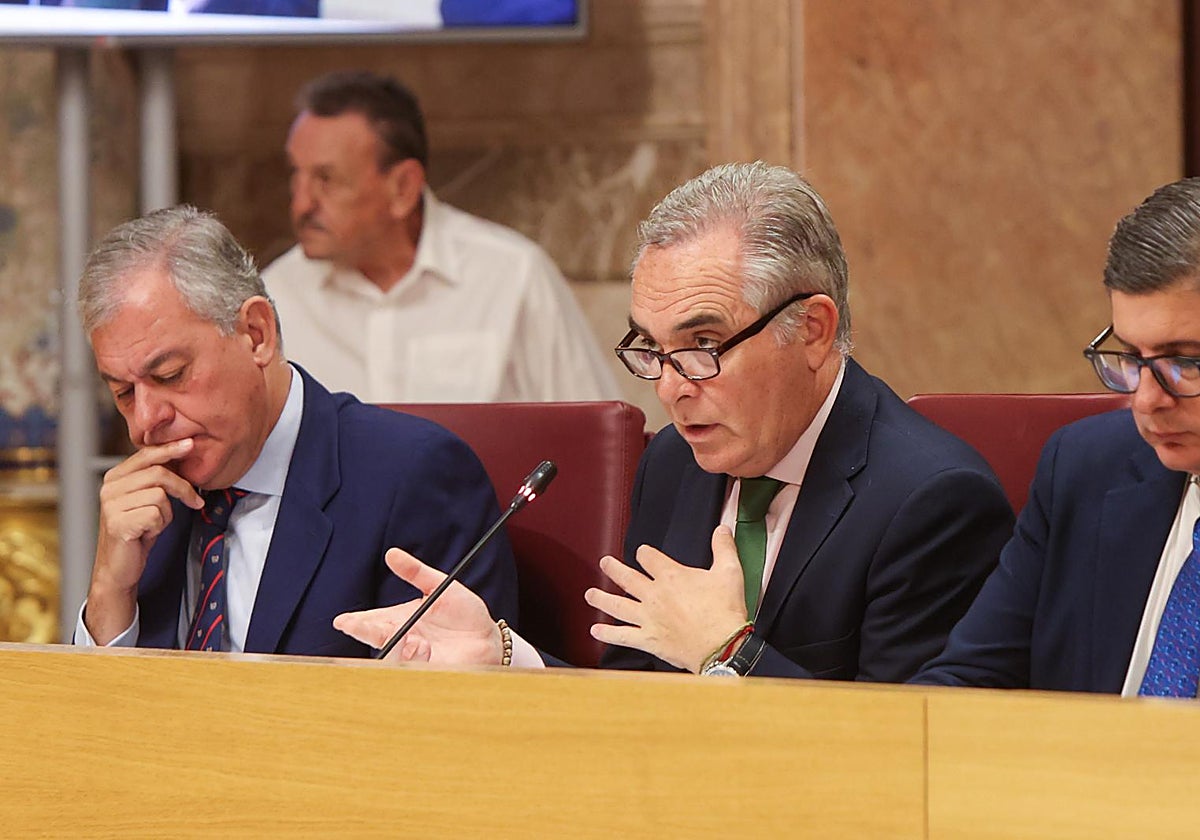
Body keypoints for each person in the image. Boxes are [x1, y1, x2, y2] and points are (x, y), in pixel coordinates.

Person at [333, 161, 1015, 680]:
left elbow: (906, 761)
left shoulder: (931, 501)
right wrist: (508, 660)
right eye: (651, 349)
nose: (669, 387)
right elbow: (636, 703)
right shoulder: (674, 465)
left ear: (811, 329)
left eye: (702, 346)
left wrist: (731, 656)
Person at [73, 204, 517, 656]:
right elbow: (95, 715)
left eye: (170, 375)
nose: (146, 421)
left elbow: (466, 703)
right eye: (124, 393)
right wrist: (110, 591)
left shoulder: (412, 478)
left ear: (256, 334)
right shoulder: (149, 505)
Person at [910, 177, 1200, 696]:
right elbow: (962, 686)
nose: (1146, 399)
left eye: (1186, 361)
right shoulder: (1084, 469)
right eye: (1132, 358)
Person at [261, 70, 621, 404]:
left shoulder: (512, 276)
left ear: (403, 187)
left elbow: (598, 436)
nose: (301, 203)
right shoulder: (275, 298)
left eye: (326, 179)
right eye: (297, 175)